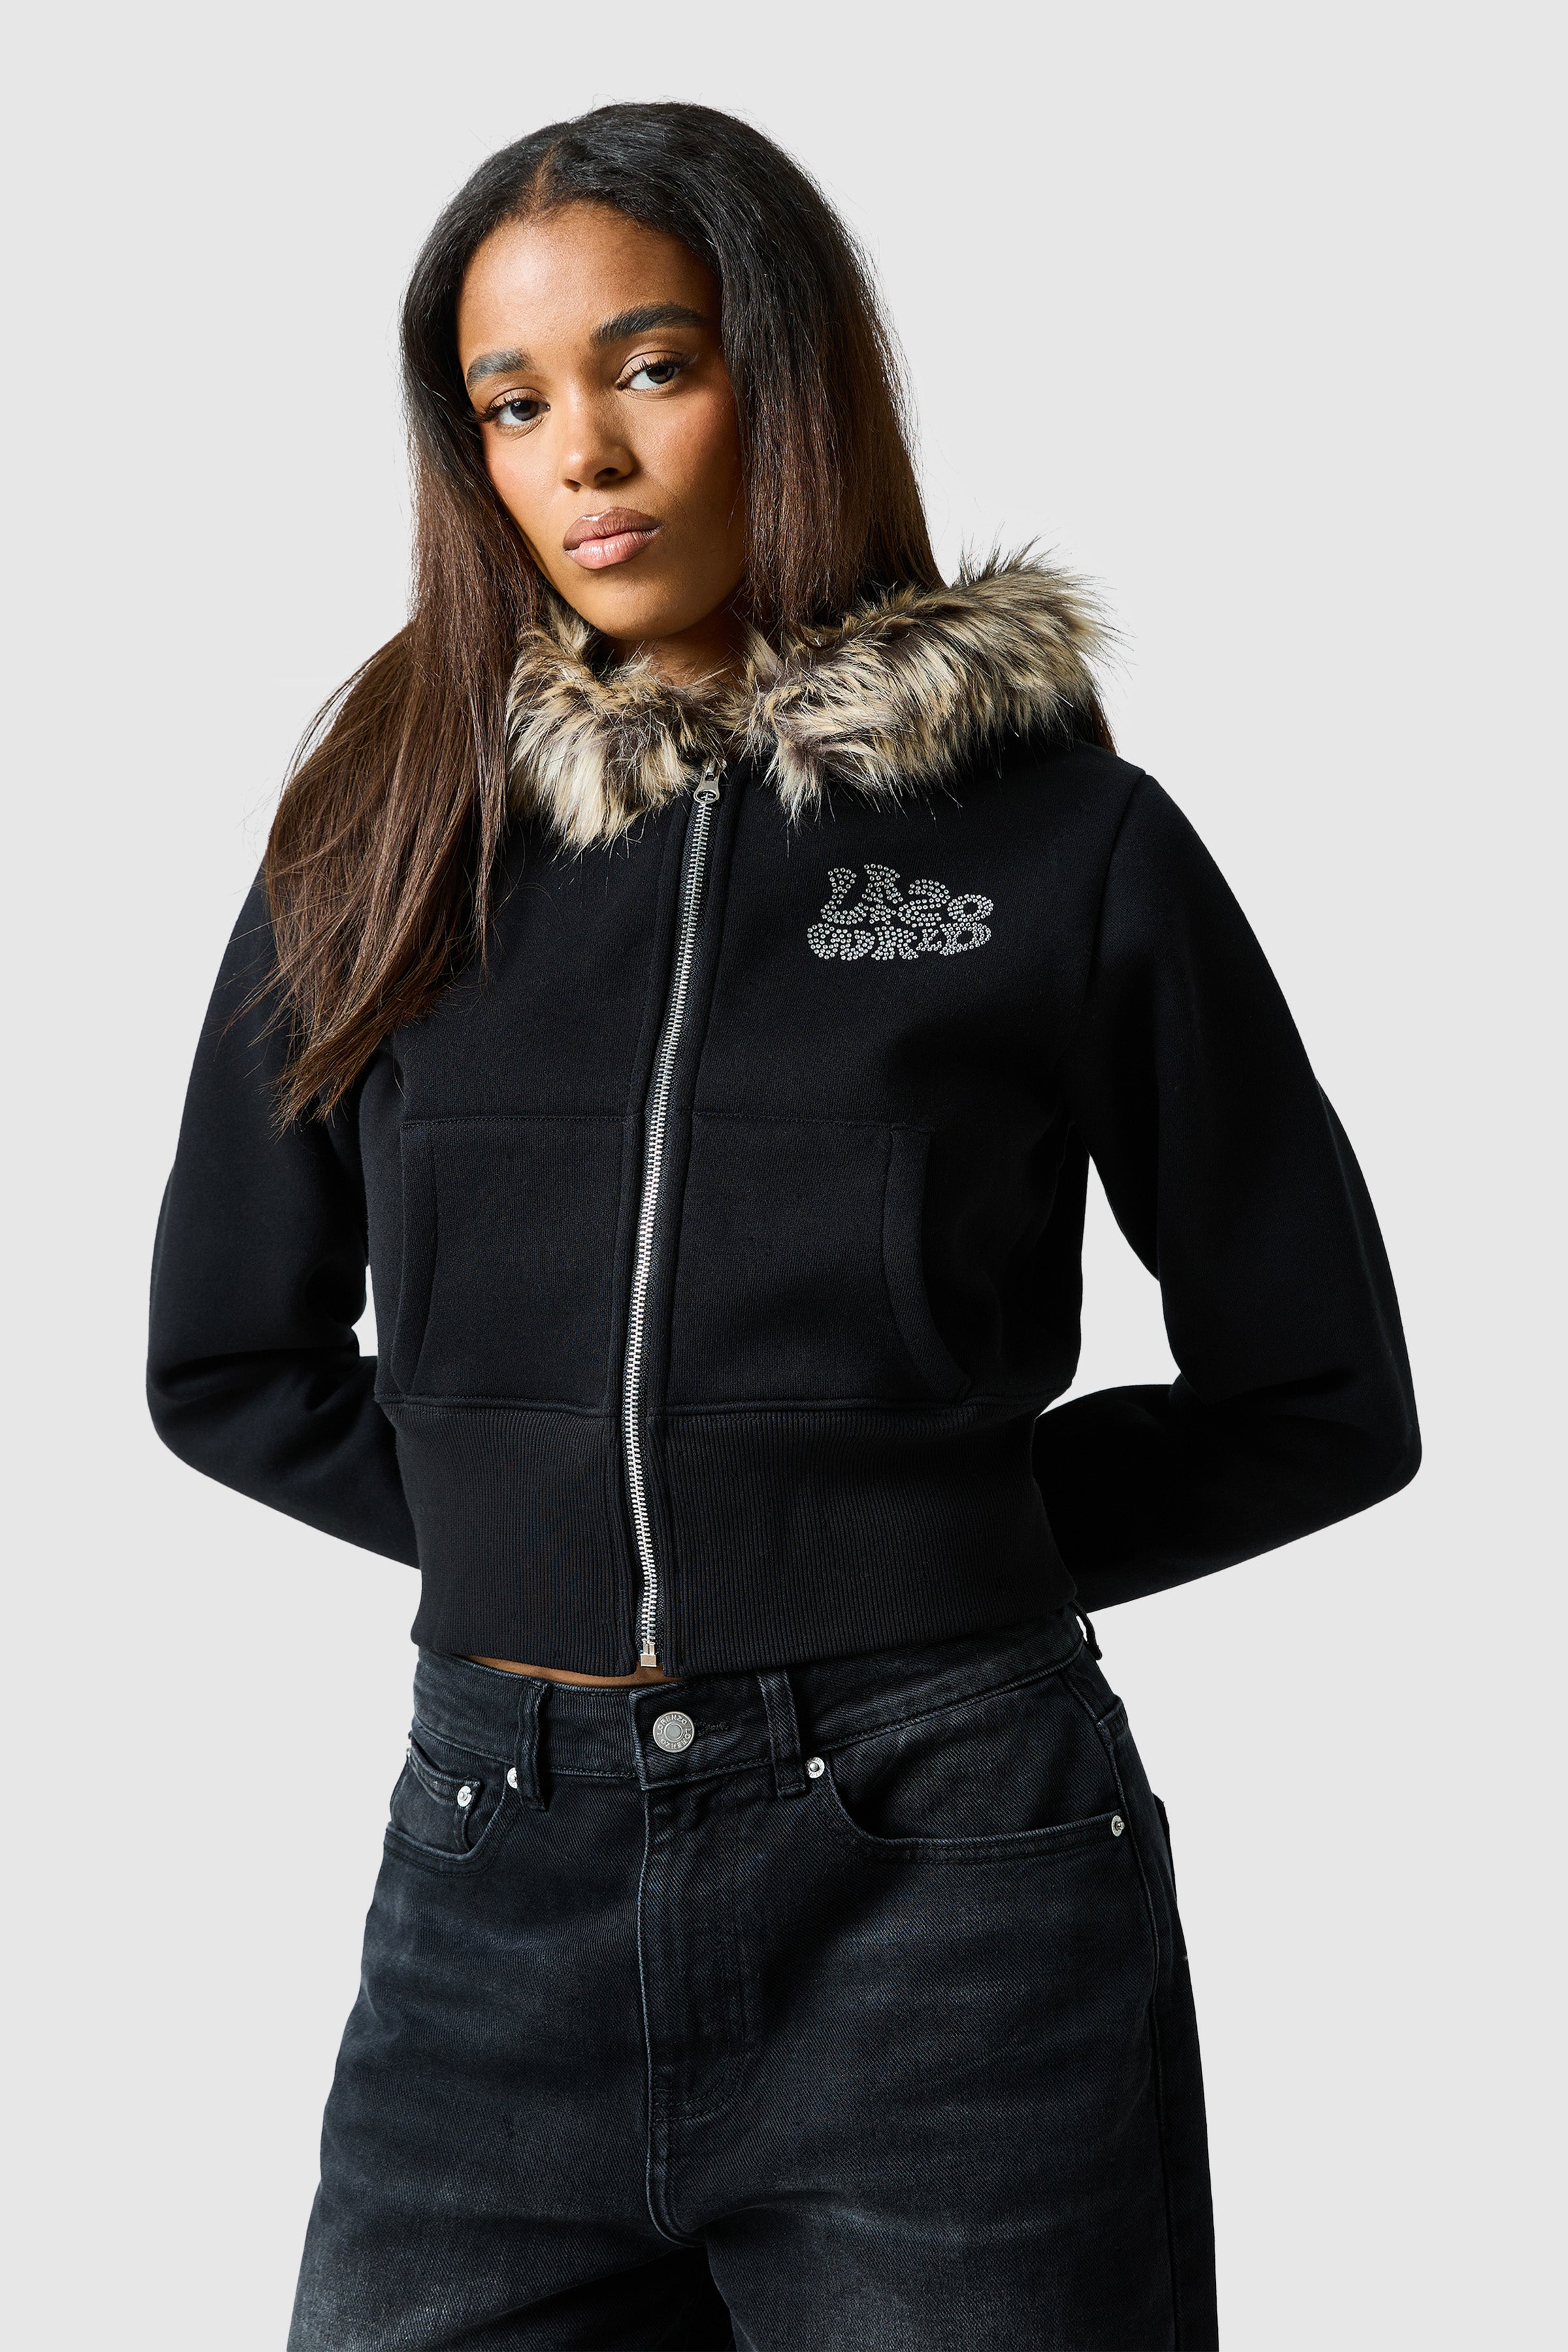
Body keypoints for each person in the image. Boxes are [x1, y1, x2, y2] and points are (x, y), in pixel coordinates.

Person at [147, 100, 1419, 2352]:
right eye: (512, 404)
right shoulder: (386, 835)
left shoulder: (1061, 846)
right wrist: (544, 1529)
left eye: (653, 367)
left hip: (948, 1884)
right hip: (491, 1880)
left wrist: (891, 1555)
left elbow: (1322, 1395)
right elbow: (228, 1361)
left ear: (789, 376)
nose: (583, 455)